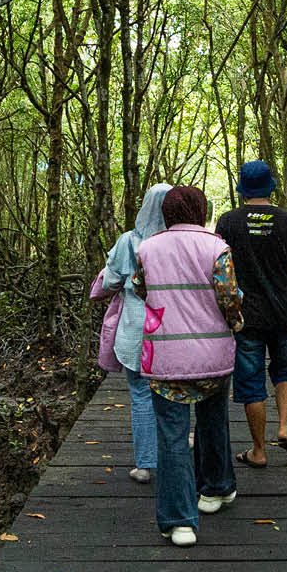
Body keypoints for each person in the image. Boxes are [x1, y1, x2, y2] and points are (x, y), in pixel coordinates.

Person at [136, 185, 240, 547]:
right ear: (201, 209)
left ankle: (180, 522)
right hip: (213, 356)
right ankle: (219, 485)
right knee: (214, 422)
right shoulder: (217, 247)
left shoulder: (146, 248)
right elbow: (229, 297)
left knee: (172, 438)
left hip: (166, 358)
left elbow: (140, 288)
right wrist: (236, 320)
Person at [214, 160, 287, 469]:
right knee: (286, 369)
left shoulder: (228, 222)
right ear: (270, 186)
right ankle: (285, 428)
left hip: (245, 317)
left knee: (250, 383)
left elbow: (221, 269)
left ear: (242, 189)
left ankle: (258, 451)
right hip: (283, 314)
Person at [92, 182, 172, 484]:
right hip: (170, 325)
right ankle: (173, 448)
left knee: (140, 394)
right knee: (172, 391)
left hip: (134, 327)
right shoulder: (177, 242)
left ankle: (145, 463)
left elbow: (111, 281)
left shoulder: (128, 241)